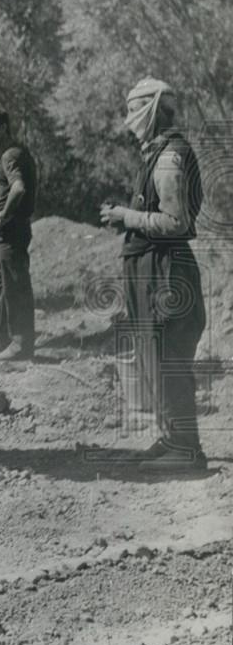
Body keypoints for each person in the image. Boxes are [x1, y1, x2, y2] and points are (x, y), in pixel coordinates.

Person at [100, 78, 207, 472]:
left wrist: (126, 216)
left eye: (133, 110)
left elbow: (176, 222)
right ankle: (172, 437)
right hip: (156, 270)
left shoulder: (169, 157)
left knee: (169, 357)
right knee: (157, 355)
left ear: (151, 109)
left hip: (166, 272)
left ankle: (186, 448)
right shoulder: (161, 152)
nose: (129, 120)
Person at [0, 109, 38, 360]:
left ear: (2, 127)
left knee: (15, 285)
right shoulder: (8, 154)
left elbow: (19, 188)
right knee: (0, 284)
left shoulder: (11, 155)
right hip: (4, 233)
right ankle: (2, 336)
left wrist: (1, 217)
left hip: (11, 230)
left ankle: (21, 344)